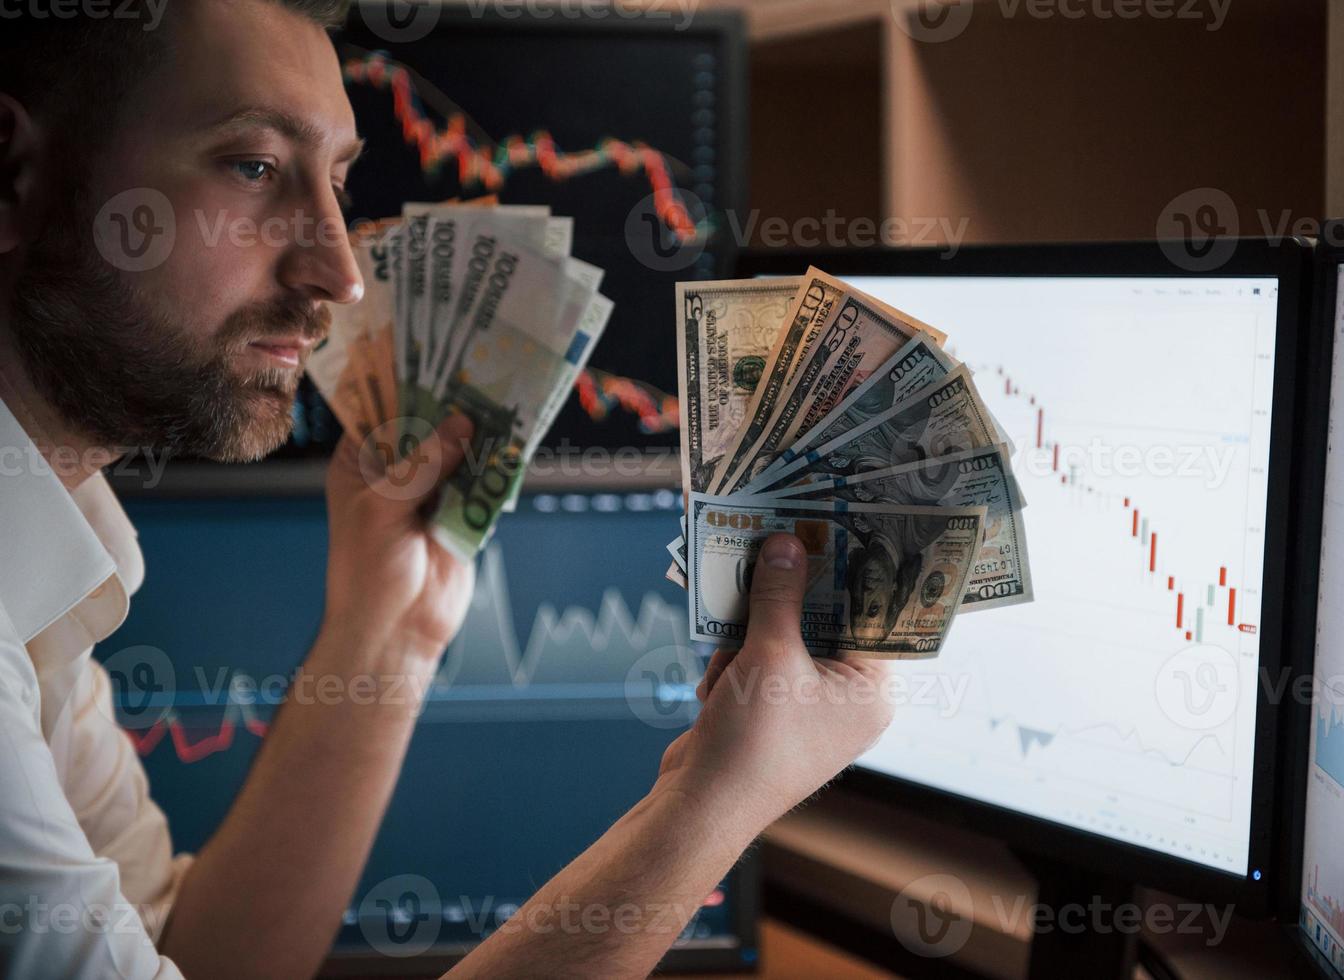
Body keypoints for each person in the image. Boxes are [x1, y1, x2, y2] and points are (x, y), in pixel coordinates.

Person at [0, 2, 893, 976]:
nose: (340, 272)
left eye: (337, 183)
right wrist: (717, 797)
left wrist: (388, 629)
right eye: (253, 167)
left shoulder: (42, 581)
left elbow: (196, 956)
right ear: (14, 177)